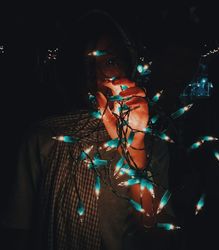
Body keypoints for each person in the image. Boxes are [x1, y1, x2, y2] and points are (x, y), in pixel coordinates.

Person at [1, 10, 173, 250]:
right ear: (72, 72)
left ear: (128, 64)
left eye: (109, 61)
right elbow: (18, 230)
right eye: (86, 63)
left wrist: (134, 152)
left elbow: (154, 235)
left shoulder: (151, 144)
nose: (97, 75)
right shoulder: (43, 137)